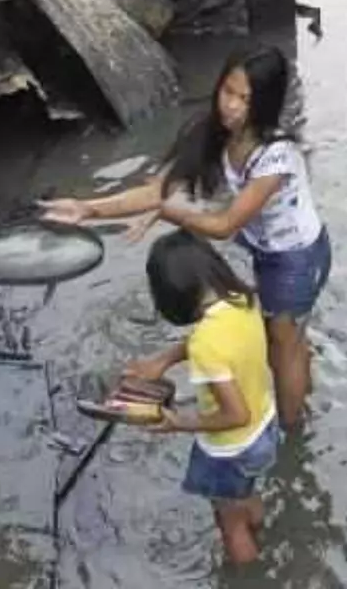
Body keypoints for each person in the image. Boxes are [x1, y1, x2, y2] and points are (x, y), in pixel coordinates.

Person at [43, 45, 332, 430]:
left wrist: (166, 212)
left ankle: (292, 431)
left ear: (265, 103)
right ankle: (299, 365)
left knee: (281, 351)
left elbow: (226, 224)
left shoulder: (276, 157)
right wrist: (89, 209)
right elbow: (155, 191)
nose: (231, 106)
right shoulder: (211, 133)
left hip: (296, 256)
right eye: (227, 91)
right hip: (262, 245)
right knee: (281, 334)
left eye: (245, 99)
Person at [125, 231, 280, 565]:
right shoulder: (243, 299)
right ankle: (261, 528)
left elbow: (234, 414)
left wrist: (179, 423)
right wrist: (163, 361)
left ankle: (247, 573)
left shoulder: (206, 344)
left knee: (228, 523)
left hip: (231, 448)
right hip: (265, 427)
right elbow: (209, 341)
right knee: (245, 494)